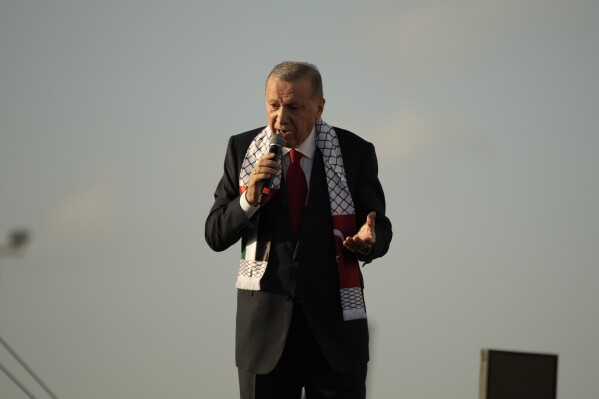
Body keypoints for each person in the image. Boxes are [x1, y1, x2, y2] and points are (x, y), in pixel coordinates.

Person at [205, 61, 392, 399]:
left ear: (319, 107)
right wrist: (249, 199)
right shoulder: (243, 151)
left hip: (335, 337)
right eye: (273, 106)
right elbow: (215, 233)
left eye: (294, 107)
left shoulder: (354, 153)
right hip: (264, 338)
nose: (280, 118)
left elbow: (380, 228)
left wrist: (368, 242)